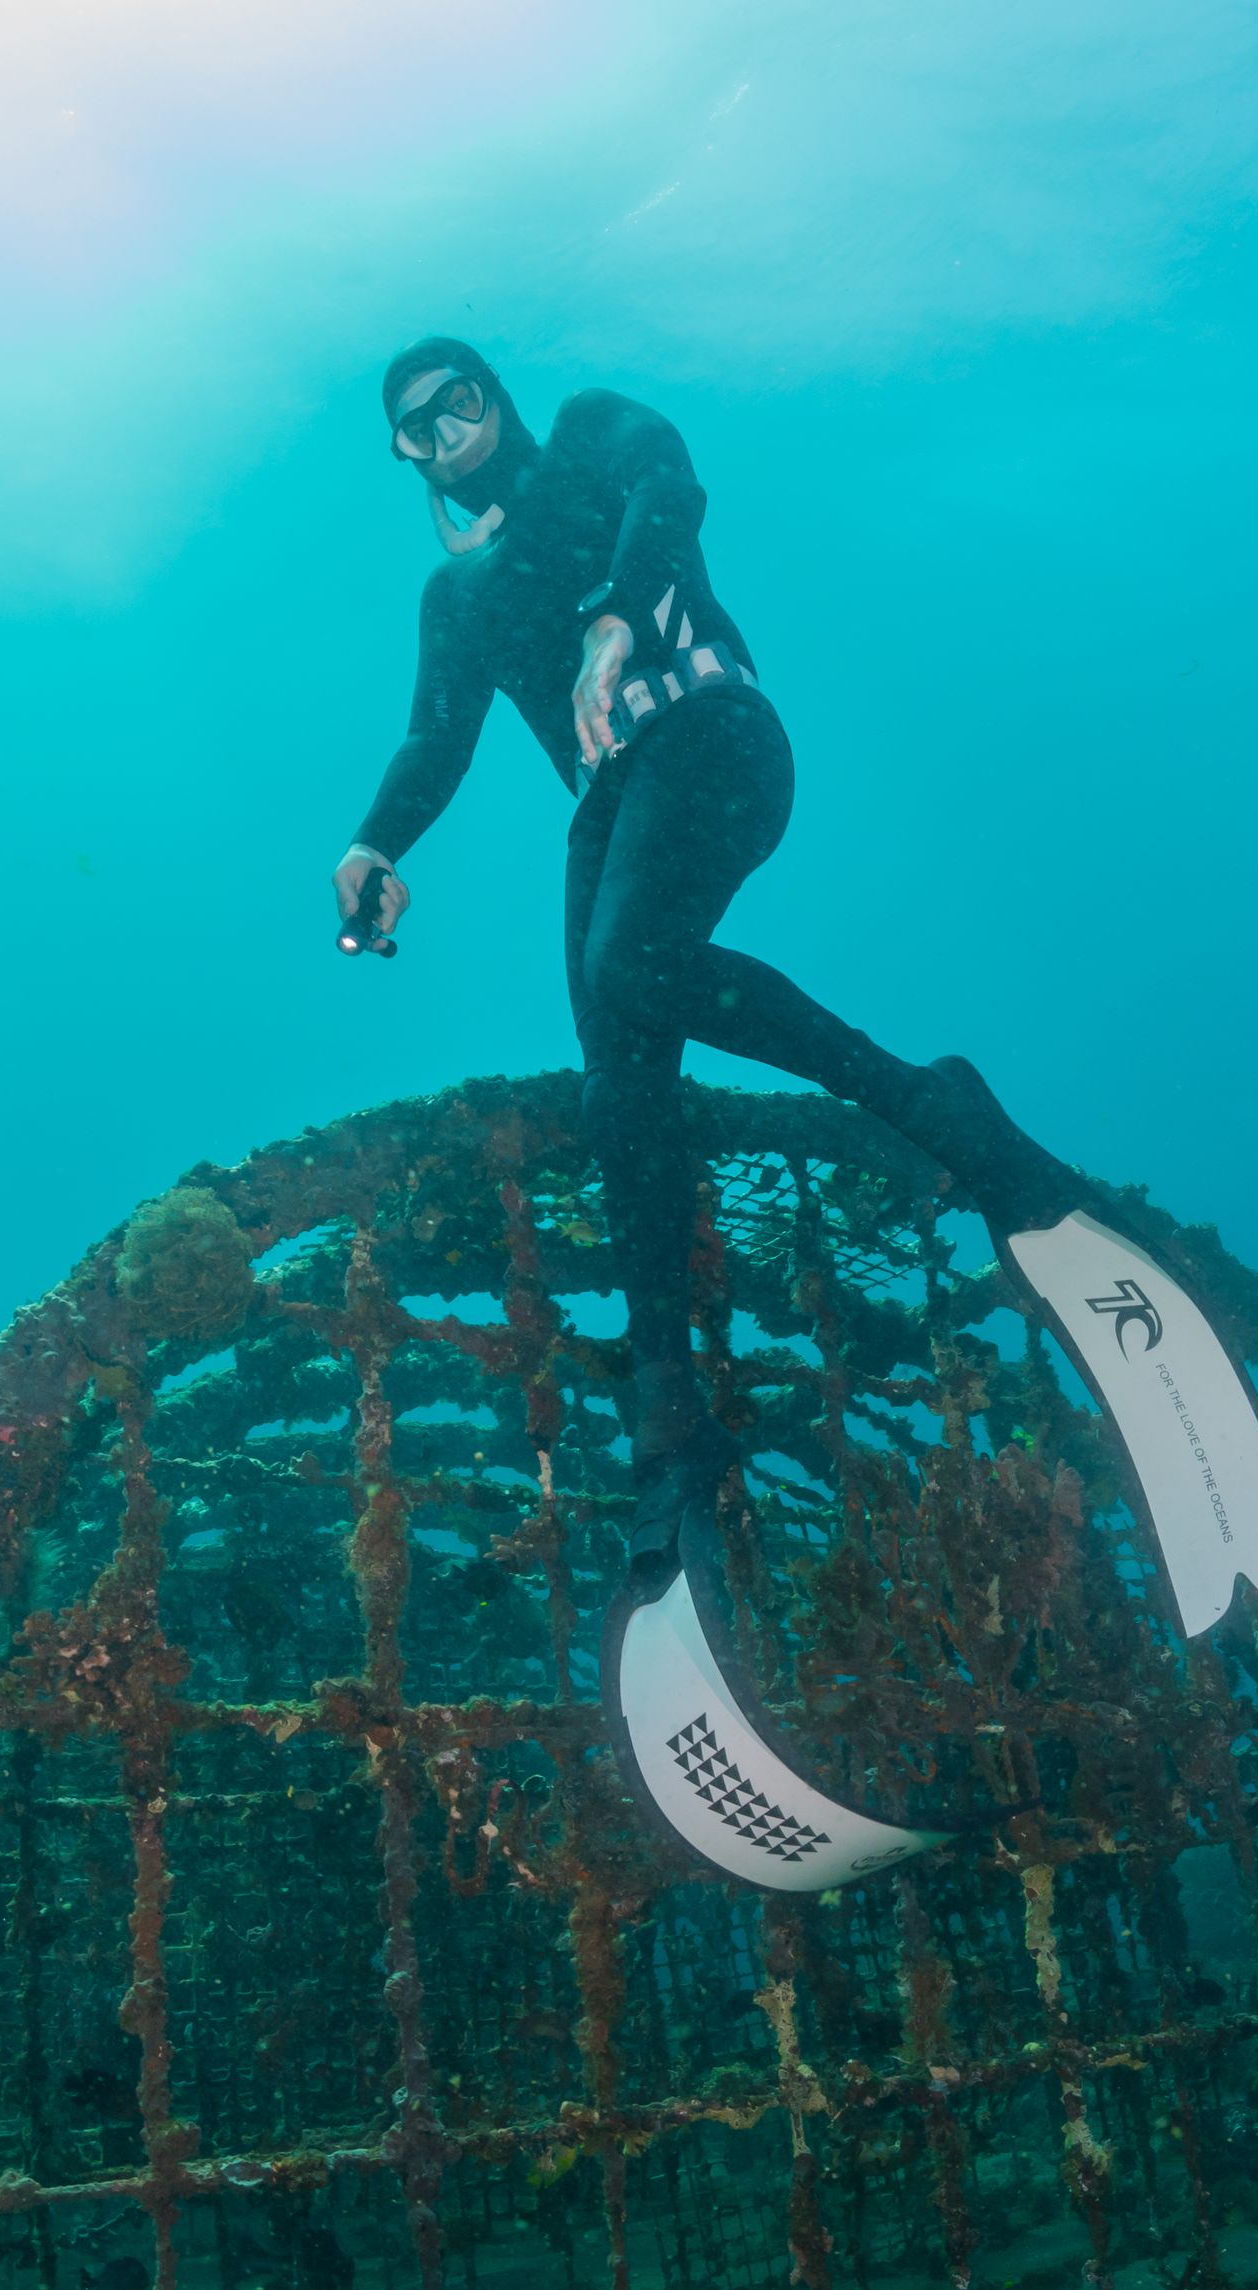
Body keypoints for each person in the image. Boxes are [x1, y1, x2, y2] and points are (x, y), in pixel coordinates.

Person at [331, 338, 1081, 1586]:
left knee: (629, 963)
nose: (445, 432)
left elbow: (671, 486)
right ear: (405, 457)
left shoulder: (589, 436)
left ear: (496, 398)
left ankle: (934, 1105)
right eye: (414, 428)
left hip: (711, 728)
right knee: (617, 1091)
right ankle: (670, 1416)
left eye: (457, 402)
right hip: (608, 804)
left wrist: (619, 613)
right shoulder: (452, 600)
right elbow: (435, 740)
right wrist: (373, 841)